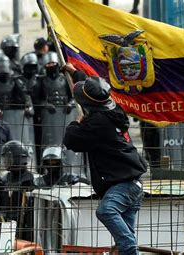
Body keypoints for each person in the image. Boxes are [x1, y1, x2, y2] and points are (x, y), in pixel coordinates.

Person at [62, 63, 147, 255]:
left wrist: (77, 121)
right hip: (132, 183)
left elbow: (71, 139)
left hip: (123, 185)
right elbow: (93, 90)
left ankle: (132, 251)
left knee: (106, 211)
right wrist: (75, 73)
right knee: (125, 239)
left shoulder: (97, 124)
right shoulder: (113, 109)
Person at [0, 140, 34, 238]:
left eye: (8, 158)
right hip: (5, 223)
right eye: (4, 158)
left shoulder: (29, 179)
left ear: (18, 158)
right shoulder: (4, 179)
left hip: (23, 225)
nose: (5, 161)